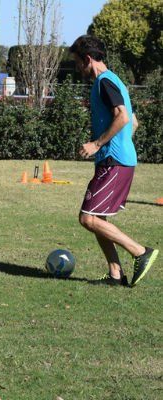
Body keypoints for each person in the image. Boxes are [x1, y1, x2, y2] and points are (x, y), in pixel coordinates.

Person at [69, 35, 158, 287]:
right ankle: (115, 274)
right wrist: (119, 145)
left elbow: (123, 117)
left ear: (88, 59)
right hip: (114, 159)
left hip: (114, 162)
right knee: (98, 218)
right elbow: (134, 120)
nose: (77, 68)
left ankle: (141, 252)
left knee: (88, 219)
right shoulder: (114, 80)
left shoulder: (104, 82)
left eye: (77, 62)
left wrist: (98, 144)